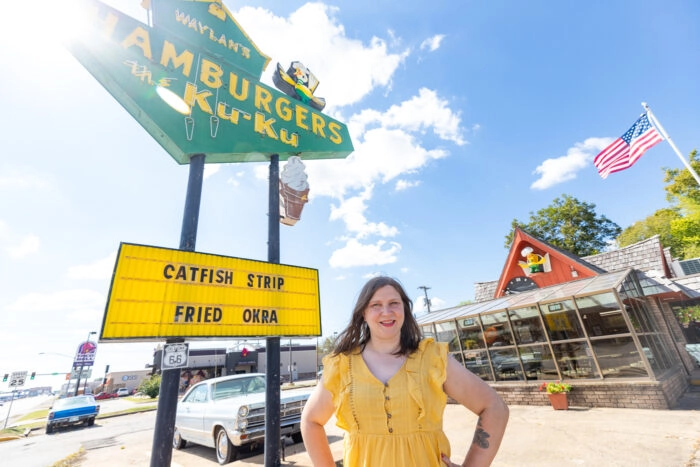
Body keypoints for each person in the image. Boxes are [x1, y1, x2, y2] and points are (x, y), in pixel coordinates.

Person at [301, 276, 509, 467]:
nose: (386, 311)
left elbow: (494, 408)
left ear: (404, 310)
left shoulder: (433, 358)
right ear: (363, 313)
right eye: (376, 305)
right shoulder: (341, 365)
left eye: (394, 303)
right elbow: (311, 421)